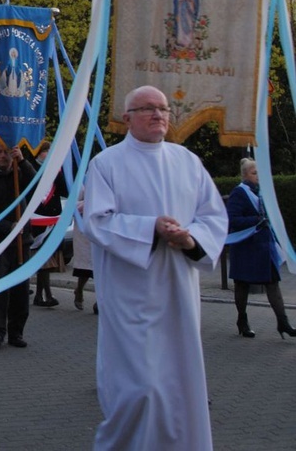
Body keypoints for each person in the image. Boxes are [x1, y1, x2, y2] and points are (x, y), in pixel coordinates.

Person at [84, 85, 228, 450]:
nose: (158, 114)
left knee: (181, 381)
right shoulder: (106, 164)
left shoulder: (187, 161)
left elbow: (213, 216)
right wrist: (151, 228)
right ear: (127, 118)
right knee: (140, 386)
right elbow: (97, 221)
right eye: (147, 108)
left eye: (163, 108)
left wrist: (190, 239)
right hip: (130, 292)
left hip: (178, 289)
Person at [226, 158, 296, 339]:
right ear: (245, 175)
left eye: (259, 173)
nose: (258, 176)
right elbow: (233, 219)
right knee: (242, 284)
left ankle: (283, 323)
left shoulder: (264, 193)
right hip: (245, 247)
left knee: (273, 283)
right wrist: (256, 220)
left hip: (264, 247)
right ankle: (242, 320)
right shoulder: (239, 193)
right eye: (254, 173)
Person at [0, 142, 36, 349]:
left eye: (7, 152)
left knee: (21, 289)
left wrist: (23, 161)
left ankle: (16, 332)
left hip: (22, 242)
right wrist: (8, 226)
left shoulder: (21, 175)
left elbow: (37, 186)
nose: (4, 156)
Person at [30, 141, 65, 307]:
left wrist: (58, 173)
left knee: (47, 260)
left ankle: (42, 295)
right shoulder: (30, 168)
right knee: (41, 259)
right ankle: (44, 295)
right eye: (47, 152)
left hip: (52, 218)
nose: (49, 155)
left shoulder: (56, 170)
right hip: (37, 218)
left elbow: (65, 190)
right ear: (39, 153)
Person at [72, 191, 96, 314]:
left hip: (101, 228)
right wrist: (90, 204)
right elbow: (73, 204)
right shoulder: (82, 179)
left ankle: (99, 301)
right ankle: (79, 290)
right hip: (85, 229)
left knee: (100, 269)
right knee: (86, 268)